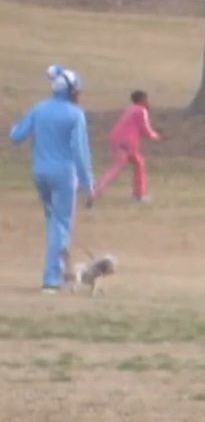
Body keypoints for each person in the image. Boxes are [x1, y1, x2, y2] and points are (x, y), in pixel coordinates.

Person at [9, 65, 95, 293]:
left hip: (40, 173)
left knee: (53, 223)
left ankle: (60, 270)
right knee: (61, 224)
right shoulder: (75, 114)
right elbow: (80, 152)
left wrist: (17, 126)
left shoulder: (39, 109)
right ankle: (51, 278)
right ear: (70, 91)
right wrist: (88, 185)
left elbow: (16, 136)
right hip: (64, 175)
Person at [94, 90, 161, 203]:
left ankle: (138, 194)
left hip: (119, 141)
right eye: (146, 99)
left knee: (139, 163)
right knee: (115, 169)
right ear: (142, 100)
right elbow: (145, 129)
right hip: (126, 144)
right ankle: (94, 192)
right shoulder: (141, 111)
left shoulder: (131, 109)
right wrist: (155, 136)